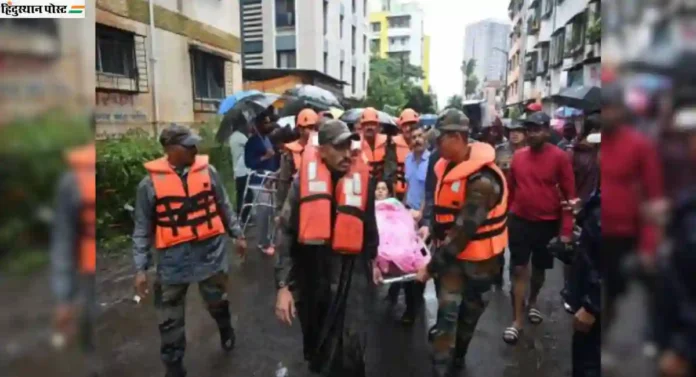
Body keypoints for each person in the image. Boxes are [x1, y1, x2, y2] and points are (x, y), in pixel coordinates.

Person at [131, 124, 246, 377]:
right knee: (169, 319)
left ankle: (225, 328)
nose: (195, 149)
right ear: (171, 149)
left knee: (216, 302)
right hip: (173, 262)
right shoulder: (148, 185)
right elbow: (142, 229)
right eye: (188, 145)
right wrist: (140, 269)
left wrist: (237, 233)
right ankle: (173, 367)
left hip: (210, 254)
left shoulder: (209, 172)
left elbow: (224, 205)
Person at [274, 119, 381, 376]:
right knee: (318, 347)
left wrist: (373, 261)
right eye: (338, 147)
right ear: (321, 150)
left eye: (349, 146)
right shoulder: (303, 184)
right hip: (313, 275)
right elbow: (286, 233)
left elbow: (369, 227)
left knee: (352, 348)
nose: (347, 154)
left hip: (351, 273)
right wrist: (283, 287)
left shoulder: (362, 180)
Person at [414, 109, 509, 376]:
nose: (435, 145)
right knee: (447, 316)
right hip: (452, 264)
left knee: (469, 317)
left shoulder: (483, 181)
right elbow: (443, 210)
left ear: (457, 137)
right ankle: (441, 367)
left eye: (439, 139)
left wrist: (429, 268)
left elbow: (461, 234)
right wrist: (430, 230)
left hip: (481, 264)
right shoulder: (445, 165)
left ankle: (458, 357)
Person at [503, 111, 577, 345]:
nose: (532, 133)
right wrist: (506, 215)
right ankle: (516, 320)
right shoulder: (518, 158)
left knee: (539, 270)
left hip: (547, 223)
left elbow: (570, 196)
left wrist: (566, 231)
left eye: (537, 129)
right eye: (529, 129)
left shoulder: (560, 157)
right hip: (520, 221)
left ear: (547, 131)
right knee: (518, 269)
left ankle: (533, 302)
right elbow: (511, 191)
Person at [51, 137, 97, 375]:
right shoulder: (72, 181)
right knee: (90, 330)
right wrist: (64, 298)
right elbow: (64, 239)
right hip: (88, 271)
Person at [386, 124, 431, 324]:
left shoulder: (432, 162)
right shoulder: (408, 160)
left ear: (426, 140)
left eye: (420, 136)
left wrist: (420, 214)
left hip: (423, 216)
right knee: (402, 253)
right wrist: (400, 210)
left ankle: (413, 306)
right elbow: (410, 186)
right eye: (413, 137)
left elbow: (428, 192)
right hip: (408, 211)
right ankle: (397, 291)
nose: (417, 140)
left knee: (419, 260)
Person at [245, 112, 281, 255]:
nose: (268, 125)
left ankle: (270, 239)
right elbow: (249, 163)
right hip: (259, 181)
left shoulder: (267, 139)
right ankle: (262, 243)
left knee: (271, 212)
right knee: (263, 213)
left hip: (271, 179)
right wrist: (264, 156)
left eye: (269, 122)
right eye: (265, 123)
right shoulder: (252, 142)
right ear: (258, 125)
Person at [275, 108, 319, 216]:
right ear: (300, 129)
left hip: (316, 202)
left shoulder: (321, 150)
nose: (314, 132)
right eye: (310, 128)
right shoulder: (290, 153)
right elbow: (283, 184)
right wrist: (280, 209)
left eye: (315, 128)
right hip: (295, 203)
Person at [389, 108, 418, 200]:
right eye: (405, 125)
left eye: (411, 125)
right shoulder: (393, 144)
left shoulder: (422, 145)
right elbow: (390, 172)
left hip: (416, 193)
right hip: (398, 193)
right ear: (401, 127)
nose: (408, 128)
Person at [229, 124, 252, 225]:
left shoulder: (232, 137)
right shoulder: (241, 137)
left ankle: (239, 216)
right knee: (248, 195)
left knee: (240, 194)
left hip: (237, 170)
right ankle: (244, 217)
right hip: (244, 170)